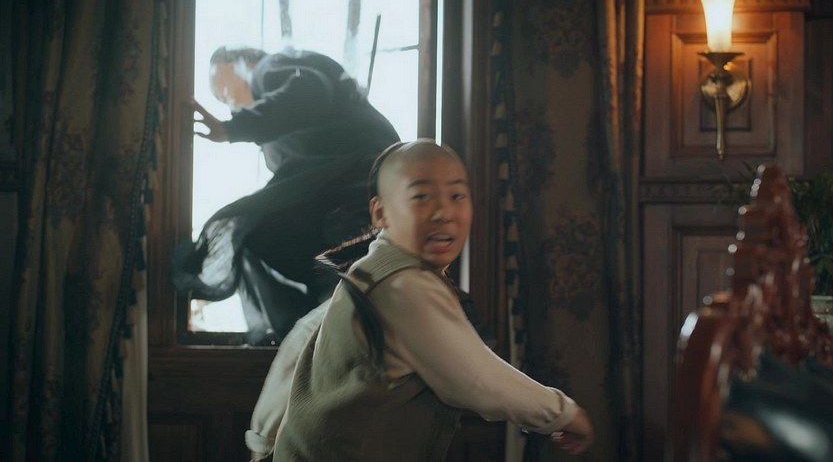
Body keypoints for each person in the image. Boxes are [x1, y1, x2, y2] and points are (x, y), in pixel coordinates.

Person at [250, 139, 593, 461]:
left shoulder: (370, 272)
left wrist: (263, 443)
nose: (444, 212)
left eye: (457, 195)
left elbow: (301, 341)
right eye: (421, 196)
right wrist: (565, 413)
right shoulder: (403, 285)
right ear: (380, 213)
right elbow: (480, 380)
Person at [171, 46, 400, 344]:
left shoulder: (270, 67)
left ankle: (308, 337)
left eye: (225, 94)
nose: (231, 106)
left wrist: (232, 129)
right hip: (363, 187)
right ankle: (311, 334)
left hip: (355, 181)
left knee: (248, 228)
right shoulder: (280, 141)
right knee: (265, 237)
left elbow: (310, 92)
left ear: (243, 63)